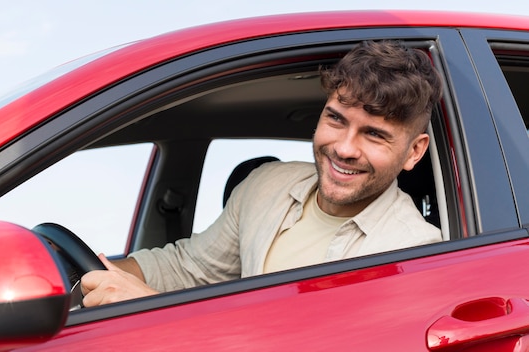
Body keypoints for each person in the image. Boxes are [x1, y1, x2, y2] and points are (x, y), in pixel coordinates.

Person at [81, 40, 444, 306]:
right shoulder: (267, 183)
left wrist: (149, 309)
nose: (345, 148)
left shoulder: (413, 254)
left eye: (374, 134)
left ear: (414, 152)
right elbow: (190, 268)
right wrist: (89, 273)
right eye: (336, 119)